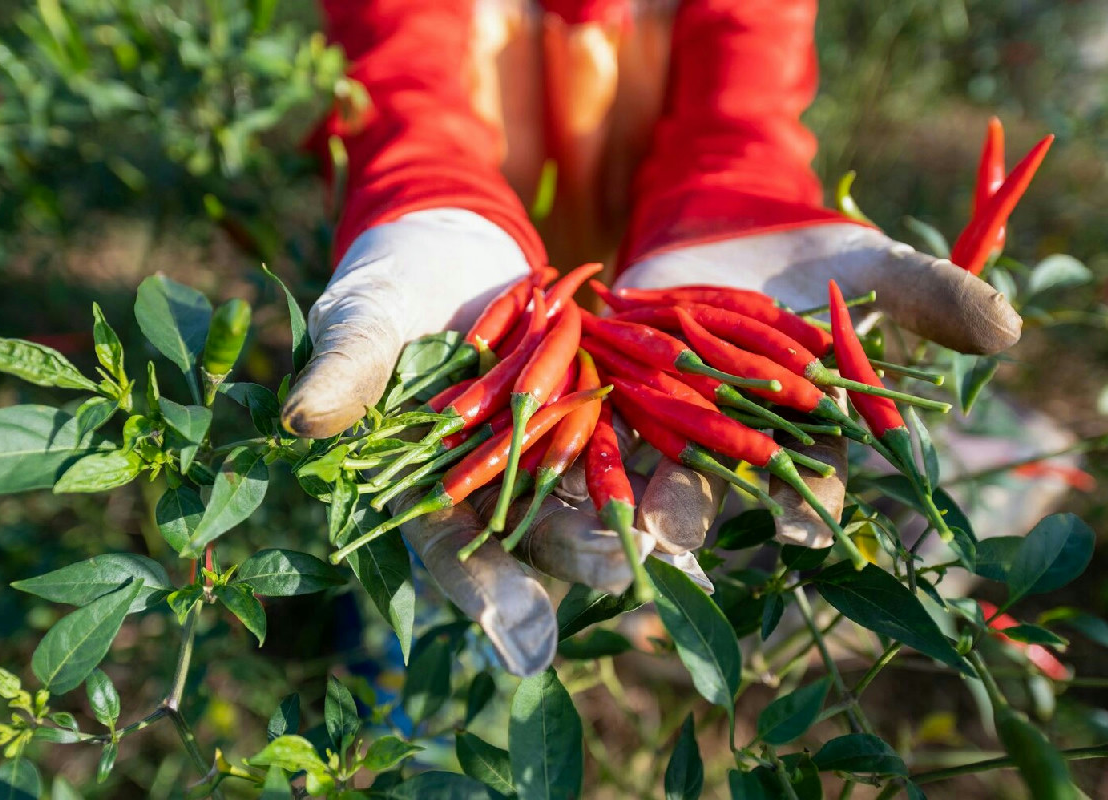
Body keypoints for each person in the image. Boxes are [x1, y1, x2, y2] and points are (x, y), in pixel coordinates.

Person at [280, 0, 1022, 677]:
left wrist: (739, 208)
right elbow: (397, 56)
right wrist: (425, 207)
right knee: (429, 500)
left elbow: (748, 73)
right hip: (464, 273)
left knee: (573, 496)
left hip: (652, 251)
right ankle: (404, 694)